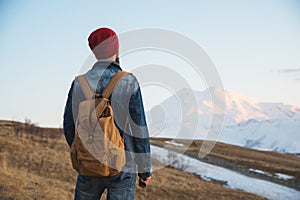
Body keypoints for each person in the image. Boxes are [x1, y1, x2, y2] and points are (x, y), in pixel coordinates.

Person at [63, 27, 152, 200]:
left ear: (95, 53)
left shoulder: (79, 83)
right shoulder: (128, 81)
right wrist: (144, 169)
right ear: (116, 49)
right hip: (123, 165)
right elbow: (139, 129)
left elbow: (69, 125)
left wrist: (85, 151)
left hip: (89, 163)